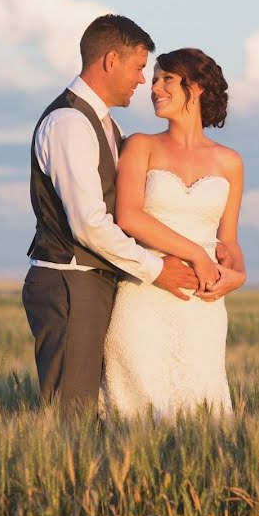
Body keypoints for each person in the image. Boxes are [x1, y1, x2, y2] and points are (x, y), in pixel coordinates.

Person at [21, 16, 227, 414]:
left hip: (94, 283)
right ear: (111, 60)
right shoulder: (69, 123)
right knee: (71, 413)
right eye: (138, 68)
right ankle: (62, 477)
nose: (142, 81)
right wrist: (155, 269)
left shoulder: (106, 126)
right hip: (70, 282)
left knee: (98, 409)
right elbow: (89, 223)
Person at [100, 48, 246, 419]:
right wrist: (197, 254)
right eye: (153, 79)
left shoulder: (230, 162)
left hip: (202, 304)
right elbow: (128, 216)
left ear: (195, 87)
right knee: (136, 411)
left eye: (166, 79)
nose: (154, 88)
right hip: (145, 293)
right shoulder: (140, 146)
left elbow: (228, 240)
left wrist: (237, 275)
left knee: (202, 410)